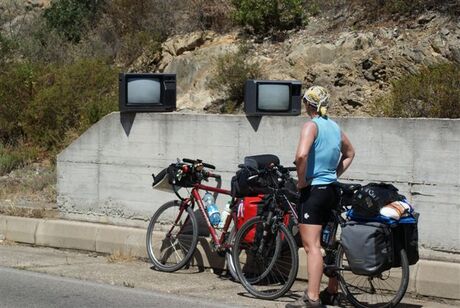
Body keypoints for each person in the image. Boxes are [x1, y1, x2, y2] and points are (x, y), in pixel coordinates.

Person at [287, 86, 355, 308]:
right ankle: (331, 290)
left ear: (308, 104)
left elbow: (301, 155)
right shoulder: (335, 127)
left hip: (315, 191)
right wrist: (334, 175)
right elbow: (350, 153)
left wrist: (302, 180)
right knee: (330, 242)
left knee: (312, 246)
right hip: (332, 191)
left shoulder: (311, 125)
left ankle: (312, 298)